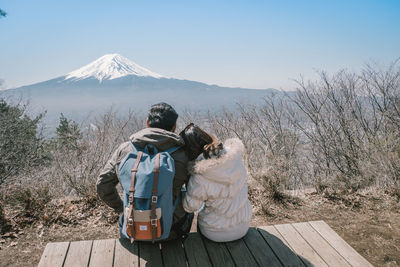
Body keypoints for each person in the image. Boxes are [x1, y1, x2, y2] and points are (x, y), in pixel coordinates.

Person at [96, 103, 192, 240]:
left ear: (147, 123)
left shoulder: (124, 150)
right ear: (174, 127)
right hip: (171, 230)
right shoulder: (182, 155)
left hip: (132, 229)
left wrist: (121, 208)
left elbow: (102, 185)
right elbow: (195, 190)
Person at [180, 124, 252, 242]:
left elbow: (190, 207)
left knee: (200, 207)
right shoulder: (235, 156)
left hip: (214, 231)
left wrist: (185, 189)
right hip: (243, 225)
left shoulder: (199, 175)